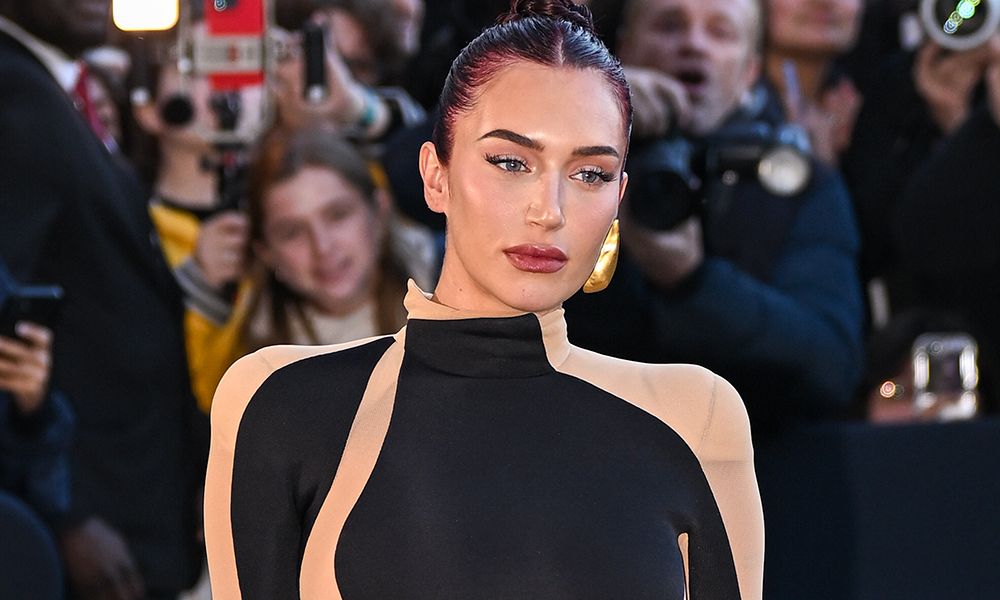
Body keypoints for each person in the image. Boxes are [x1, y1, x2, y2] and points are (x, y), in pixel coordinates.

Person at [205, 1, 764, 598]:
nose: (549, 210)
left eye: (590, 174)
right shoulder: (279, 403)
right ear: (435, 176)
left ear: (619, 196)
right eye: (510, 162)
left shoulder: (696, 417)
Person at [564, 0, 864, 431]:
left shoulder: (799, 183)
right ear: (623, 51)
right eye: (669, 26)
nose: (693, 44)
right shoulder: (561, 156)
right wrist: (584, 121)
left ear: (749, 73)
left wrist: (690, 280)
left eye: (720, 32)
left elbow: (831, 365)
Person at [0, 1, 206, 598]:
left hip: (138, 489)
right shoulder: (13, 92)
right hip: (89, 513)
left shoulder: (55, 86)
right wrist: (64, 511)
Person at [188, 127, 437, 403]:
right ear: (266, 253)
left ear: (378, 211)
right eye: (292, 232)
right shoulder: (253, 376)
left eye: (337, 215)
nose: (322, 247)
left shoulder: (458, 297)